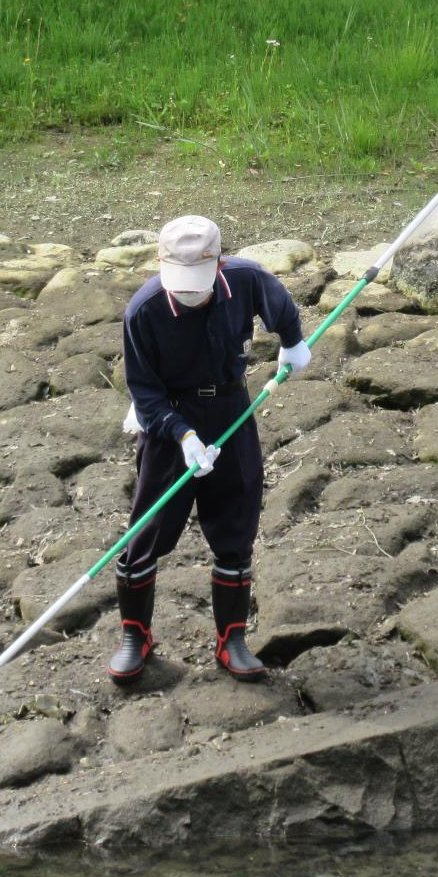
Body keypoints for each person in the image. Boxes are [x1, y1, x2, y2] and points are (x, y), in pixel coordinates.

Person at [111, 215, 311, 685]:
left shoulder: (245, 279)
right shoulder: (143, 312)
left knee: (235, 521)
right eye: (180, 287)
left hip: (231, 410)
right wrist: (182, 436)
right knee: (147, 532)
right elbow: (145, 392)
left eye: (198, 286)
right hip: (169, 421)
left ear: (219, 263)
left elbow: (281, 308)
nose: (189, 295)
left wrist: (293, 344)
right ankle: (135, 636)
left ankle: (232, 639)